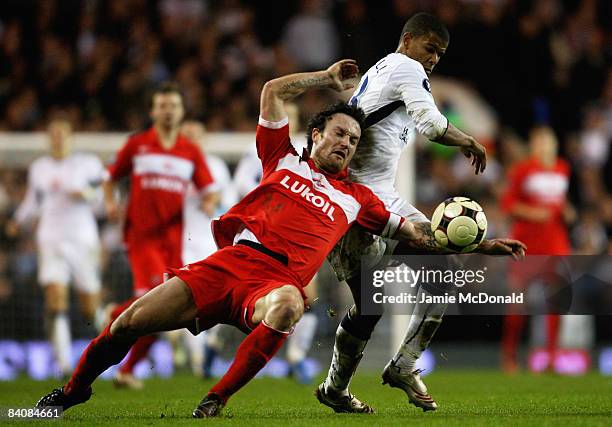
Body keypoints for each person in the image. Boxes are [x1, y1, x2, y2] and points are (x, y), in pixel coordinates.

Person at [36, 59, 524, 418]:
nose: (345, 144)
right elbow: (271, 91)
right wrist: (324, 80)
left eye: (352, 141)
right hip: (226, 264)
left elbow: (418, 234)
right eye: (338, 134)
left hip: (275, 283)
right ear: (315, 135)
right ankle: (74, 390)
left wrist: (476, 244)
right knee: (127, 323)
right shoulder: (281, 158)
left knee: (290, 305)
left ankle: (214, 400)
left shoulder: (359, 199)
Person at [318, 12, 487, 413]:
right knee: (370, 305)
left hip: (379, 196)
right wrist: (468, 140)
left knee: (442, 270)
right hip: (359, 203)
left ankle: (402, 366)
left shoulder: (382, 69)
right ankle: (336, 388)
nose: (433, 59)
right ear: (408, 40)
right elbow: (431, 125)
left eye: (440, 54)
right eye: (430, 49)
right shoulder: (406, 67)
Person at [102, 83, 218, 389]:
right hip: (142, 239)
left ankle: (126, 368)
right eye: (163, 106)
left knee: (164, 315)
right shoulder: (137, 145)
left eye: (174, 106)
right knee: (154, 304)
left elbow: (210, 188)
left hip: (172, 242)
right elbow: (110, 178)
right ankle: (117, 321)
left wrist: (209, 202)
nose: (168, 111)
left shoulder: (190, 151)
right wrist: (112, 203)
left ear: (181, 112)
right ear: (153, 111)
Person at [7, 119, 104, 377]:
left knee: (89, 307)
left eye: (63, 134)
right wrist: (17, 221)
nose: (58, 139)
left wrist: (85, 193)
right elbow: (34, 200)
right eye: (54, 135)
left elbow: (102, 196)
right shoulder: (39, 167)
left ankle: (111, 346)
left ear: (71, 137)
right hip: (50, 239)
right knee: (55, 296)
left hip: (82, 239)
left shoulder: (87, 164)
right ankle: (64, 366)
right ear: (48, 139)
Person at [233, 103, 319, 384]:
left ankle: (296, 357)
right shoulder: (259, 148)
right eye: (284, 117)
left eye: (293, 117)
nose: (287, 121)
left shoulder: (306, 151)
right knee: (237, 299)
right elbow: (241, 184)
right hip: (260, 234)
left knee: (309, 298)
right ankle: (211, 347)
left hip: (299, 237)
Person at [500, 126, 574, 373]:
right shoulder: (523, 170)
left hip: (555, 240)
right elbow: (508, 204)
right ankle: (509, 355)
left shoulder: (563, 168)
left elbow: (559, 202)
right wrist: (533, 213)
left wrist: (566, 210)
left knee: (558, 297)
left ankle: (553, 356)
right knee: (518, 299)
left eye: (547, 141)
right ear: (533, 145)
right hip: (527, 240)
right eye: (539, 141)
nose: (543, 145)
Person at [166, 120, 234, 377]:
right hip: (179, 244)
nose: (192, 140)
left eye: (196, 136)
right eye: (187, 136)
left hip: (208, 242)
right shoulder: (172, 166)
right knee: (188, 298)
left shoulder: (215, 166)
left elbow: (227, 203)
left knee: (217, 299)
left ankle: (208, 344)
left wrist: (213, 203)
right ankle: (196, 357)